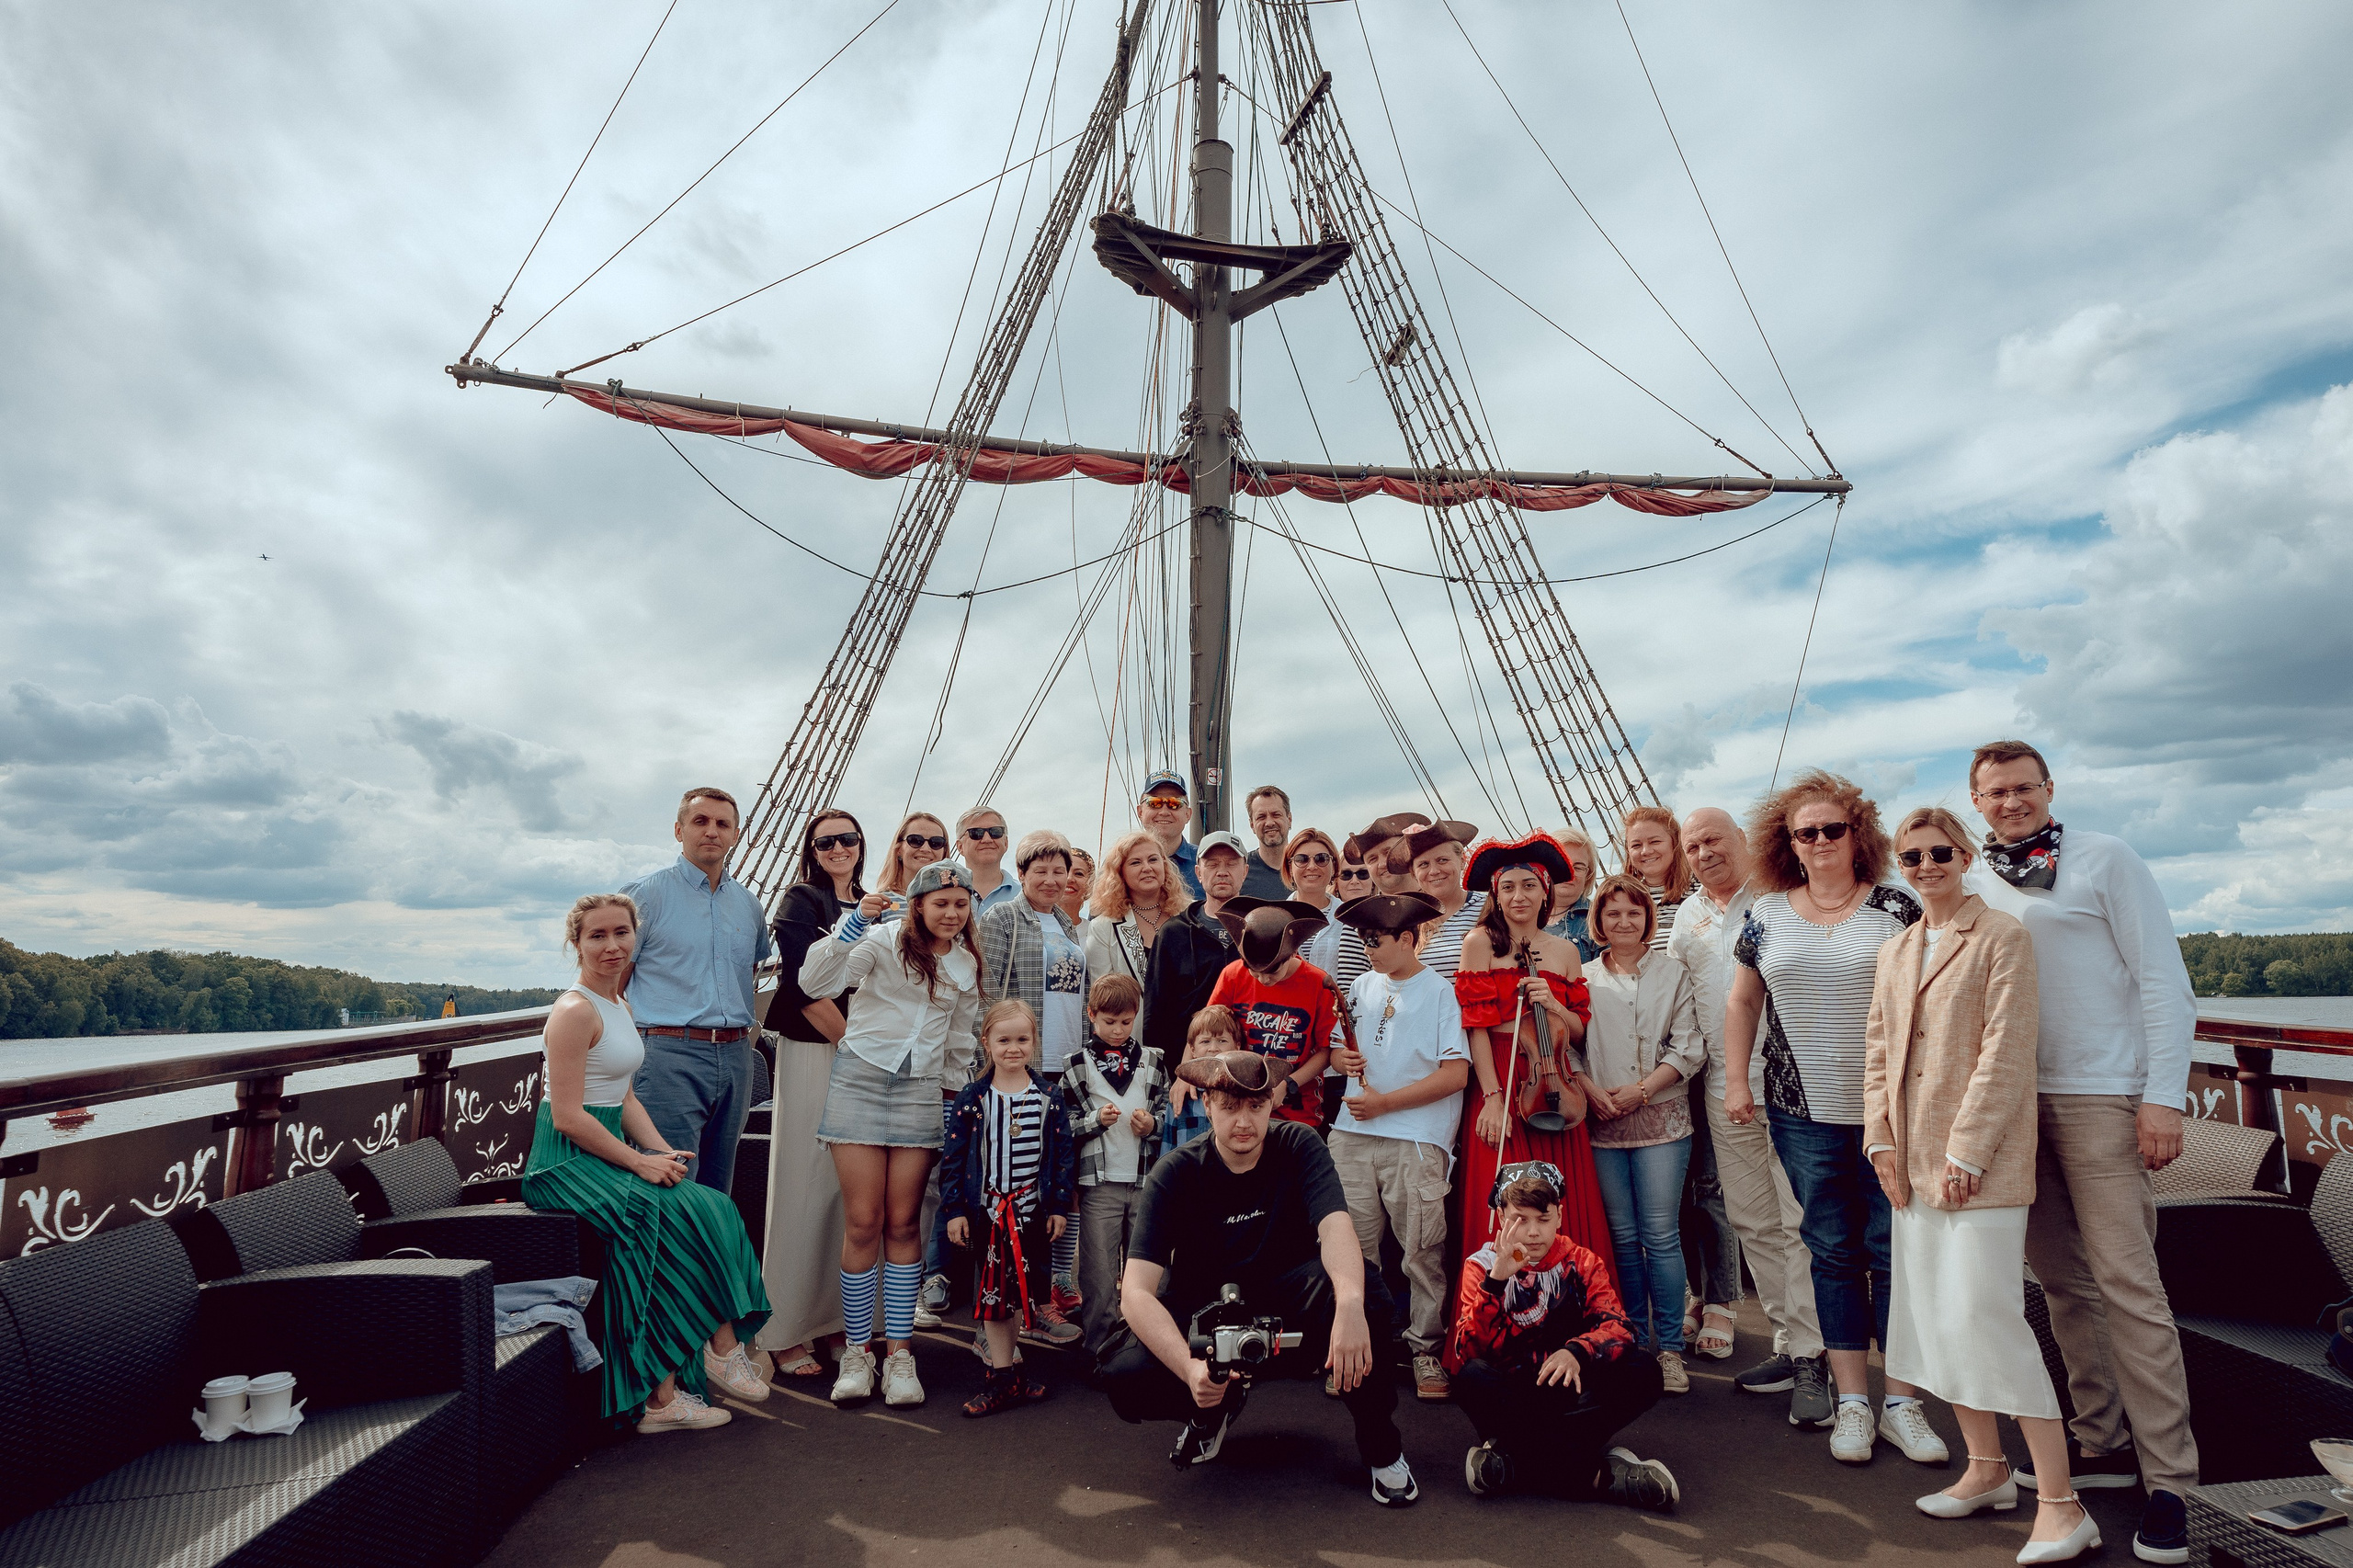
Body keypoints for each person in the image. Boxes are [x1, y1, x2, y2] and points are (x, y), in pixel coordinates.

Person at [1964, 739, 2200, 1565]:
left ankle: (2174, 1479)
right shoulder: (1971, 879)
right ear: (1977, 801)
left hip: (2102, 1092)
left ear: (2049, 789)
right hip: (2016, 1105)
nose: (2011, 802)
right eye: (1995, 792)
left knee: (2129, 1285)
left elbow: (2164, 980)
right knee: (2061, 1282)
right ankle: (2100, 1441)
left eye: (2024, 788)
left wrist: (2162, 1095)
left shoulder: (2106, 860)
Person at [1867, 807, 2091, 1561]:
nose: (1926, 865)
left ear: (1965, 856)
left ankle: (2062, 1503)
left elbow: (2006, 1052)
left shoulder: (2001, 937)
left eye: (1939, 852)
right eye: (1912, 856)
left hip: (1980, 1170)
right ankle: (1986, 1468)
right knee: (1935, 1319)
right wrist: (1880, 1143)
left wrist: (1964, 1154)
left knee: (1989, 1320)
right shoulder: (1896, 950)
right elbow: (1877, 1052)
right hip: (1907, 1167)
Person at [1722, 770, 1941, 1467]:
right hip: (1803, 1111)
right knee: (1833, 1251)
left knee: (1894, 1253)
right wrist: (1735, 1078)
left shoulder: (1897, 908)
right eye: (1804, 832)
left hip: (1891, 1112)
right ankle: (1853, 1402)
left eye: (1832, 829)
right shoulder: (1767, 915)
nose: (1819, 841)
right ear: (1786, 844)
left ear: (1859, 835)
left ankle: (1903, 1402)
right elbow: (1742, 1003)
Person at [1101, 1050, 1420, 1506]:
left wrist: (1348, 1306)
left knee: (1366, 1297)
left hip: (1290, 1306)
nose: (1244, 1121)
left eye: (1255, 1105)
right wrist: (1190, 1369)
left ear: (1272, 1102)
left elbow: (1336, 1229)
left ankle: (1382, 1448)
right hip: (1210, 1317)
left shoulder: (1300, 1145)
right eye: (1229, 1107)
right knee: (1124, 1369)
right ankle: (1213, 1407)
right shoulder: (1174, 1173)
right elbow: (1134, 1293)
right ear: (1207, 1104)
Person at [524, 893, 772, 1433]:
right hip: (564, 1164)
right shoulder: (572, 1012)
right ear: (577, 944)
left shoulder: (621, 1005)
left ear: (637, 936)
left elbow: (626, 1098)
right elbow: (566, 1116)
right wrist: (639, 1165)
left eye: (621, 933)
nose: (612, 946)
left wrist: (660, 1151)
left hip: (607, 1147)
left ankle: (708, 1356)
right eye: (597, 936)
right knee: (664, 1219)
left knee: (714, 1208)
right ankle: (666, 1391)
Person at [801, 860, 985, 1409]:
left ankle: (900, 1353)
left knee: (905, 1222)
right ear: (919, 904)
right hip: (859, 1079)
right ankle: (857, 1353)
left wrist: (954, 1100)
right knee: (864, 1222)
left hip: (922, 1091)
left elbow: (959, 1038)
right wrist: (853, 922)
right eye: (941, 902)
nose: (951, 913)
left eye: (961, 903)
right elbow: (816, 982)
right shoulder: (879, 940)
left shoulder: (966, 964)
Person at [1670, 806, 1826, 1413]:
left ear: (1742, 839)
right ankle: (1790, 1345)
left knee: (1798, 1223)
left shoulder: (1786, 896)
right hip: (1721, 1087)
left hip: (1790, 1085)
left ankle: (1817, 1357)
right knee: (1753, 1221)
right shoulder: (1687, 915)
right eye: (1693, 846)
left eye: (1715, 839)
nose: (1705, 852)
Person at [1446, 1163, 1677, 1510]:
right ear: (1500, 1216)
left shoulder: (1582, 1261)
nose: (1534, 1232)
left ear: (1560, 1216)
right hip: (1517, 1394)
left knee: (1643, 1368)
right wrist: (1496, 1281)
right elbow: (1468, 1349)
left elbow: (1620, 1327)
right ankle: (1593, 1473)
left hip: (1572, 1393)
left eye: (1543, 1218)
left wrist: (1576, 1352)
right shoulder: (1480, 1265)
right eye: (1521, 1219)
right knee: (1472, 1377)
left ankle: (1515, 1462)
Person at [1453, 834, 1617, 1301]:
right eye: (1508, 888)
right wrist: (1491, 1098)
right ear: (1496, 896)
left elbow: (1580, 1032)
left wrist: (1556, 1007)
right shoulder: (1479, 942)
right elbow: (1476, 1028)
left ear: (1546, 892)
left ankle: (1572, 1315)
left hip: (1552, 1081)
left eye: (1528, 886)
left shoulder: (1565, 952)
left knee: (1561, 1201)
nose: (1518, 896)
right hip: (1501, 1078)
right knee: (1501, 1199)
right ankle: (1493, 1314)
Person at [1328, 891, 1471, 1403]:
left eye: (1378, 941)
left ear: (1409, 939)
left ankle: (1425, 1348)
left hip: (1416, 1138)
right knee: (1353, 1252)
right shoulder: (1361, 986)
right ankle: (1358, 1347)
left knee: (1420, 1251)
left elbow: (1455, 1074)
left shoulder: (1440, 992)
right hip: (1352, 1135)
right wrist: (1340, 1059)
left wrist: (1387, 1104)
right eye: (1364, 941)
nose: (1369, 950)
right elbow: (1337, 1049)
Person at [1574, 876, 1706, 1394]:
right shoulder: (1583, 977)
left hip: (1661, 1120)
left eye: (1633, 913)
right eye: (1612, 914)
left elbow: (1688, 1045)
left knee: (1660, 1235)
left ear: (1647, 918)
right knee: (1623, 1240)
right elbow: (1570, 1047)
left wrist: (1642, 1091)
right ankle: (1630, 1337)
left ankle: (1670, 1348)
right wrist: (1589, 1090)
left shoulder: (1673, 973)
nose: (1623, 922)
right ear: (1599, 923)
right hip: (1602, 1118)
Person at [755, 808, 863, 1383]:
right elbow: (799, 985)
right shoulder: (802, 902)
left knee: (850, 1193)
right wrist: (853, 1045)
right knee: (802, 1183)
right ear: (812, 850)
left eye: (848, 839)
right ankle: (788, 1326)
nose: (838, 848)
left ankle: (843, 1320)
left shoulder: (872, 903)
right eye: (826, 842)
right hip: (819, 1049)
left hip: (863, 1055)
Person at [623, 788, 773, 1196]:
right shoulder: (645, 896)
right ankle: (666, 1263)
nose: (712, 831)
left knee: (718, 1189)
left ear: (736, 835)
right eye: (700, 821)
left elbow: (754, 968)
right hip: (669, 1056)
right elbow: (614, 981)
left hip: (736, 1056)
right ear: (679, 830)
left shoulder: (748, 904)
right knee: (671, 1185)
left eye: (723, 824)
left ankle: (708, 1263)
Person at [971, 828, 1089, 1332]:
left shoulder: (1065, 923)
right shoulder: (1002, 918)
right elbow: (988, 992)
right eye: (1039, 870)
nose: (1050, 878)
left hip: (1069, 1069)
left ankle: (1051, 1287)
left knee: (1062, 1184)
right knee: (1014, 1190)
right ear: (1021, 875)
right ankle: (1002, 1313)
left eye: (1059, 870)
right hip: (1026, 1070)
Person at [943, 1000, 1077, 1416]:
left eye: (1022, 1039)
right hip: (988, 1215)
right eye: (1003, 1039)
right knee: (993, 1296)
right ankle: (1002, 1375)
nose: (1013, 1048)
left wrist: (1058, 1206)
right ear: (986, 1043)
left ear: (1035, 1043)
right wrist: (955, 1210)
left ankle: (1012, 1375)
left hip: (1031, 1215)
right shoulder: (974, 1097)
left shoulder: (1049, 1097)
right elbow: (953, 1157)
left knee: (1021, 1296)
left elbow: (1062, 1157)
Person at [1060, 973, 1169, 1354]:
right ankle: (1100, 1350)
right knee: (1099, 1274)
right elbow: (1063, 1127)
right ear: (1091, 1015)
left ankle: (1146, 1348)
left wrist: (1153, 1125)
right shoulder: (1076, 1065)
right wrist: (1094, 1121)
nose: (1119, 1030)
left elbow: (1169, 1116)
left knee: (1148, 1271)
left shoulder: (1153, 1062)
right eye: (1109, 1022)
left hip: (1146, 1182)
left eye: (1126, 1021)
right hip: (1099, 1185)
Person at [1206, 897, 1338, 1128]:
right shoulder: (1232, 974)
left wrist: (1288, 1084)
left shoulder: (1318, 982)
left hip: (1298, 1114)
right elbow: (1207, 1030)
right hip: (1240, 1110)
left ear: (1292, 953)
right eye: (1253, 970)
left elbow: (1326, 1050)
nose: (1263, 979)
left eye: (1272, 970)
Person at [1142, 830, 1246, 1065]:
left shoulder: (1262, 931)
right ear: (1198, 873)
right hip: (1186, 1073)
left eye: (1231, 863)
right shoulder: (1173, 932)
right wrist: (1165, 1073)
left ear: (1245, 871)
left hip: (1250, 1070)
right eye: (1212, 864)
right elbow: (1155, 1013)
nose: (1222, 871)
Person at [1086, 830, 1191, 996]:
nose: (1147, 868)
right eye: (1136, 863)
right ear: (1120, 872)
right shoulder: (1103, 927)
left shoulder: (1190, 916)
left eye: (1153, 860)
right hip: (1133, 1021)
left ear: (1164, 866)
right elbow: (1102, 997)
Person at [1408, 821, 1485, 981]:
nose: (1434, 871)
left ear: (1462, 860)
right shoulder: (1407, 918)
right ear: (1413, 873)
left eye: (1442, 860)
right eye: (1423, 864)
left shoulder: (1488, 907)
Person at [1160, 1006, 1235, 1153]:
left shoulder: (1241, 1094)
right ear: (1192, 1050)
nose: (1213, 1048)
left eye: (1222, 1041)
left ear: (1237, 1046)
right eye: (1205, 1041)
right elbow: (1167, 1148)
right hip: (1187, 1173)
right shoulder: (1181, 1098)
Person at [1620, 805, 1691, 951]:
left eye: (1655, 842)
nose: (1646, 851)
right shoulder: (1625, 899)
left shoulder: (1702, 892)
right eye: (1636, 845)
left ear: (1675, 843)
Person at [1280, 826, 1347, 977]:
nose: (1311, 866)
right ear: (1290, 868)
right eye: (1301, 859)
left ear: (1334, 866)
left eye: (1321, 859)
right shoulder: (1275, 918)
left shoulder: (1349, 919)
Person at [1137, 769, 1203, 900]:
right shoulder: (1119, 862)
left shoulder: (1206, 863)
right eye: (1154, 803)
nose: (1164, 811)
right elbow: (1100, 916)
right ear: (1140, 812)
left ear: (1188, 814)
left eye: (1175, 804)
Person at [875, 812, 952, 916]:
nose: (926, 849)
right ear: (899, 850)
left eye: (936, 842)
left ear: (944, 852)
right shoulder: (880, 904)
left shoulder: (955, 903)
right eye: (915, 840)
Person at [1543, 826, 1602, 960]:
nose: (1570, 872)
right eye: (1561, 863)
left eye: (1578, 867)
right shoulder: (1522, 915)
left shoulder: (1599, 919)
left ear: (1588, 875)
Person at [956, 806, 1021, 915]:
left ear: (1005, 843)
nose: (987, 840)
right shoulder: (943, 894)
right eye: (976, 833)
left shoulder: (1025, 896)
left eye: (995, 832)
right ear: (960, 846)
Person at [1241, 784, 1296, 899]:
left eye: (1276, 815)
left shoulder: (1308, 867)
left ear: (1289, 819)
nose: (1269, 822)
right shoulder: (1240, 872)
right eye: (1261, 817)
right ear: (1252, 825)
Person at [1060, 848, 1095, 926]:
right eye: (1062, 872)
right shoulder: (1030, 927)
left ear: (1090, 883)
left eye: (1079, 874)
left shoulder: (1096, 932)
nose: (1069, 879)